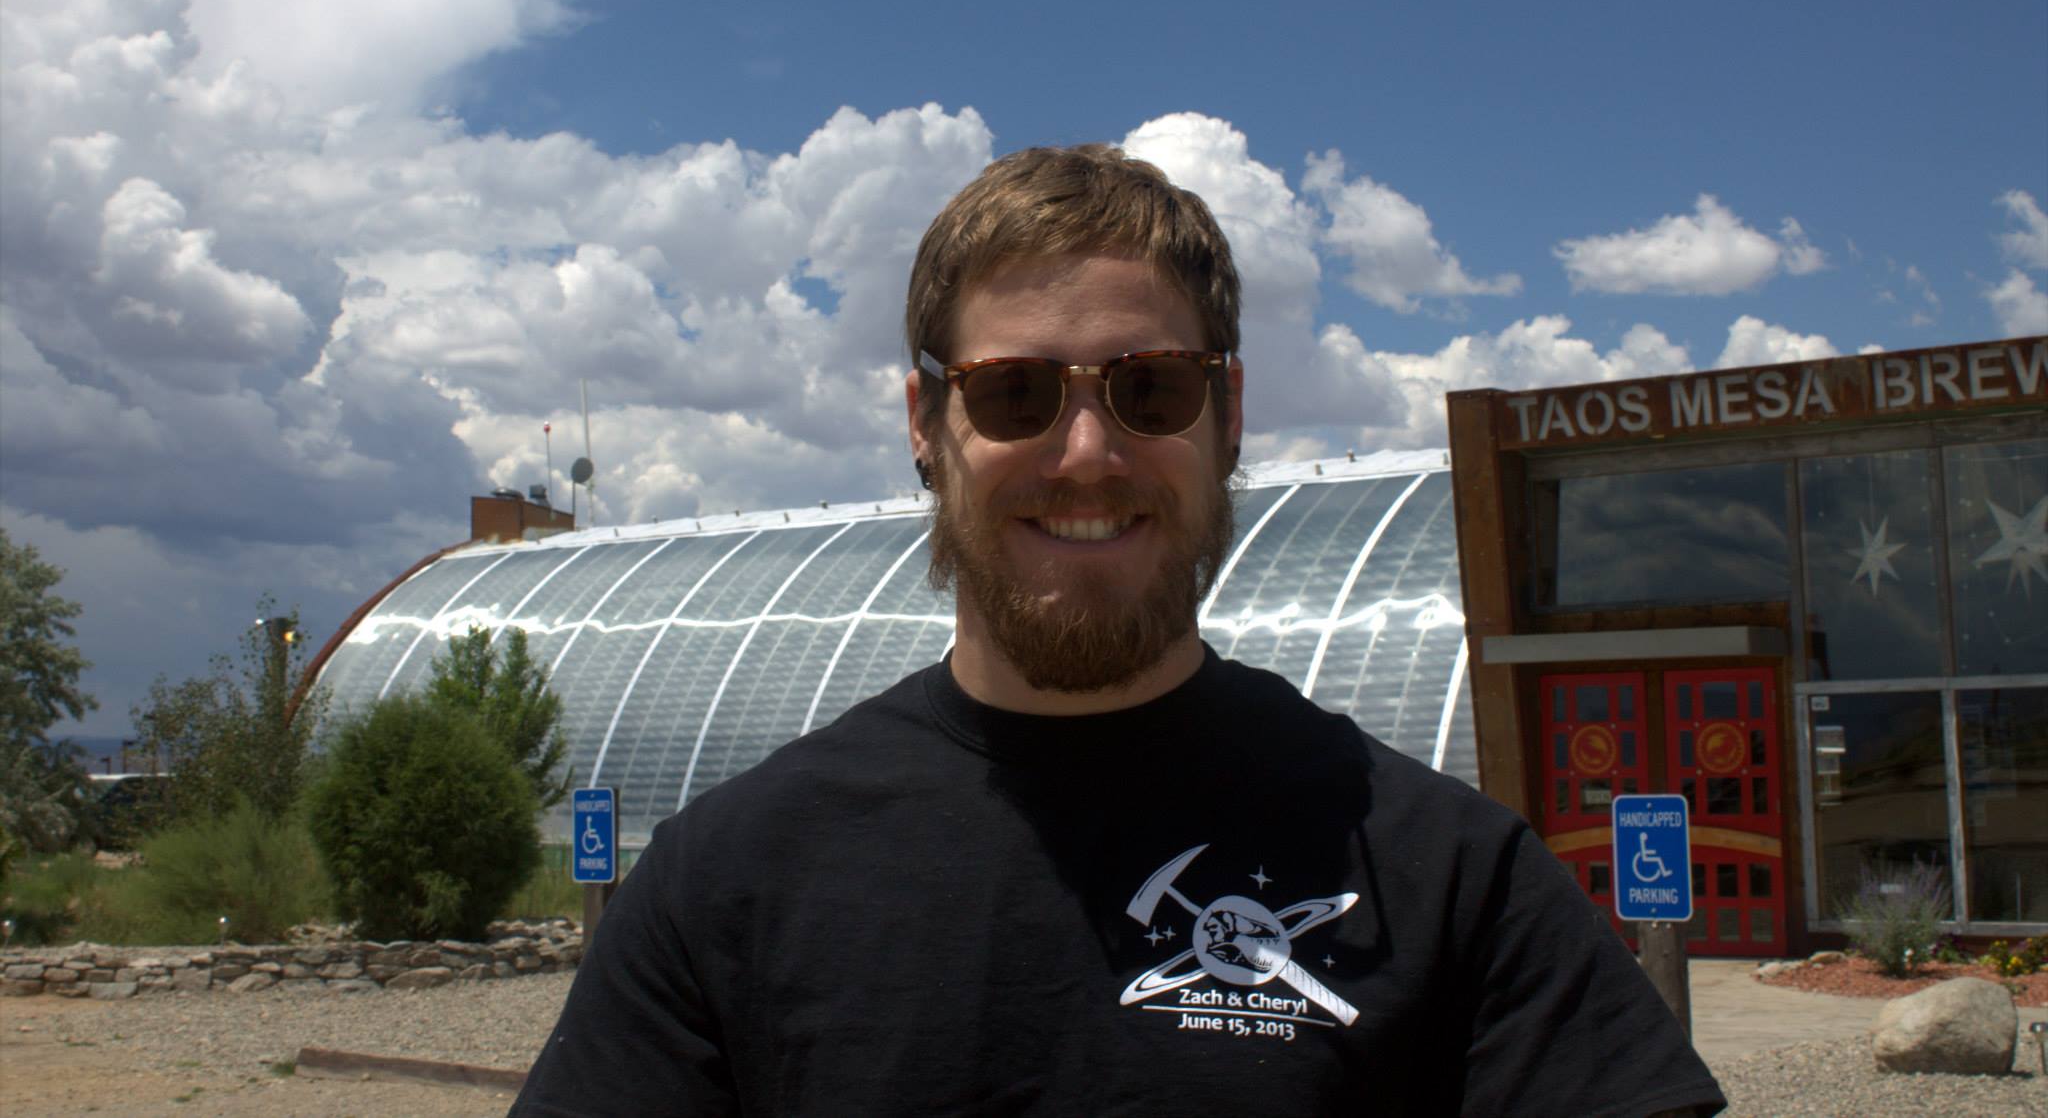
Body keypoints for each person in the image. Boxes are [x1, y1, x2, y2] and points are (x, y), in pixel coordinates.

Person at [511, 145, 1726, 1117]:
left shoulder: (1455, 880)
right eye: (1014, 392)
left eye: (1148, 389)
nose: (1084, 454)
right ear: (926, 424)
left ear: (1228, 412)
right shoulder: (727, 880)